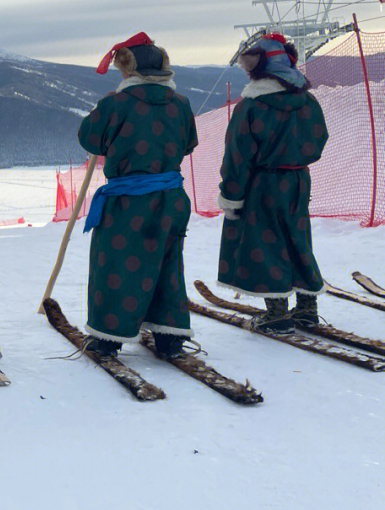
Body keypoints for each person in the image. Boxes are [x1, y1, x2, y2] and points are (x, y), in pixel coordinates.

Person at [76, 33, 198, 358]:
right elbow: (189, 143)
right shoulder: (181, 103)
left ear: (127, 68)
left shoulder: (115, 104)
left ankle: (108, 337)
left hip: (127, 201)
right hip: (171, 199)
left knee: (116, 264)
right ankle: (169, 337)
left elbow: (88, 138)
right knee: (166, 263)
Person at [217, 33, 329, 333]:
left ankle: (277, 313)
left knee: (265, 244)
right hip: (298, 179)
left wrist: (231, 196)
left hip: (261, 184)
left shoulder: (250, 107)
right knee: (297, 238)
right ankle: (307, 308)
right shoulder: (307, 101)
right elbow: (320, 138)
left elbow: (237, 156)